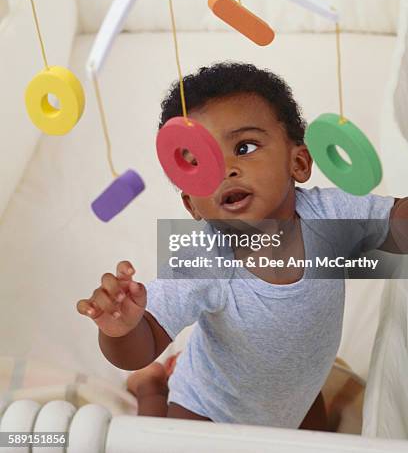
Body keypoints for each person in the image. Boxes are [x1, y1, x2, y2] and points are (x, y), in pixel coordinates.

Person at [77, 62, 407, 429]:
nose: (225, 170)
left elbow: (396, 227)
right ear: (191, 204)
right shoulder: (203, 260)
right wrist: (121, 329)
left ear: (297, 162)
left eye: (244, 147)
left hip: (298, 398)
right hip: (210, 409)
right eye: (200, 162)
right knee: (158, 439)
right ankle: (151, 387)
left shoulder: (331, 217)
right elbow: (144, 343)